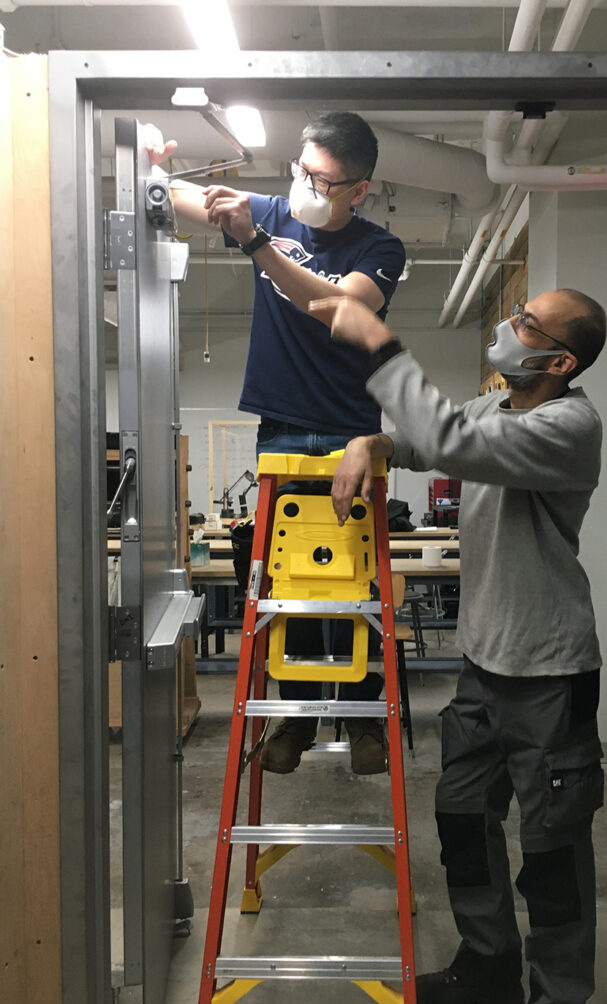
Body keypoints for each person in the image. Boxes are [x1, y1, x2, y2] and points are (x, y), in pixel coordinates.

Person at [310, 287, 607, 1004]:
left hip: (549, 670)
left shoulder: (569, 424)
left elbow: (445, 443)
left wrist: (377, 342)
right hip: (483, 663)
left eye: (527, 324)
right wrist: (369, 443)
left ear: (560, 359)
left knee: (551, 852)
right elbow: (419, 439)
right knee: (463, 818)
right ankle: (490, 965)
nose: (511, 328)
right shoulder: (491, 409)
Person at [148, 112, 406, 775]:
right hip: (283, 428)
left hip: (353, 433)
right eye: (300, 169)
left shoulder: (380, 248)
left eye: (321, 178)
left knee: (349, 584)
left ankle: (361, 713)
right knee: (292, 579)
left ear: (359, 189)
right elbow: (178, 201)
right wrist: (150, 170)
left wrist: (256, 242)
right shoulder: (271, 212)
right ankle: (294, 715)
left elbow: (337, 307)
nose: (304, 185)